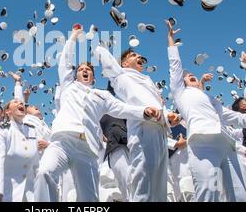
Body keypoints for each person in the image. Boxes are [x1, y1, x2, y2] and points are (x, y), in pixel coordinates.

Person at [34, 24, 161, 202]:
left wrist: (143, 111)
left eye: (89, 70)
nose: (84, 70)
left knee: (90, 200)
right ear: (75, 74)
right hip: (62, 142)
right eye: (81, 69)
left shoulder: (102, 95)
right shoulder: (68, 87)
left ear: (93, 77)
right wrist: (73, 37)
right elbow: (64, 61)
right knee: (44, 172)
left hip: (88, 149)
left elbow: (121, 108)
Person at [166, 20, 246, 202]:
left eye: (191, 75)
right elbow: (175, 67)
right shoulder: (181, 93)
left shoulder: (213, 101)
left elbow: (242, 120)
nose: (189, 75)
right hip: (202, 143)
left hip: (228, 145)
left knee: (241, 196)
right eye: (187, 76)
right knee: (207, 194)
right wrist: (170, 39)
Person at [95, 38, 178, 202]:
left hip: (160, 133)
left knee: (159, 190)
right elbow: (107, 61)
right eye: (133, 55)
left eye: (140, 56)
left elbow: (156, 104)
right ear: (124, 64)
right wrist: (98, 46)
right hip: (143, 131)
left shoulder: (148, 81)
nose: (139, 57)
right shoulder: (122, 77)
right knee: (143, 187)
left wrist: (169, 117)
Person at [0, 98, 39, 202]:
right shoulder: (3, 131)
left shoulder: (32, 130)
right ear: (8, 111)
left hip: (31, 194)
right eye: (15, 102)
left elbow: (36, 165)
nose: (21, 103)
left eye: (22, 102)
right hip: (9, 194)